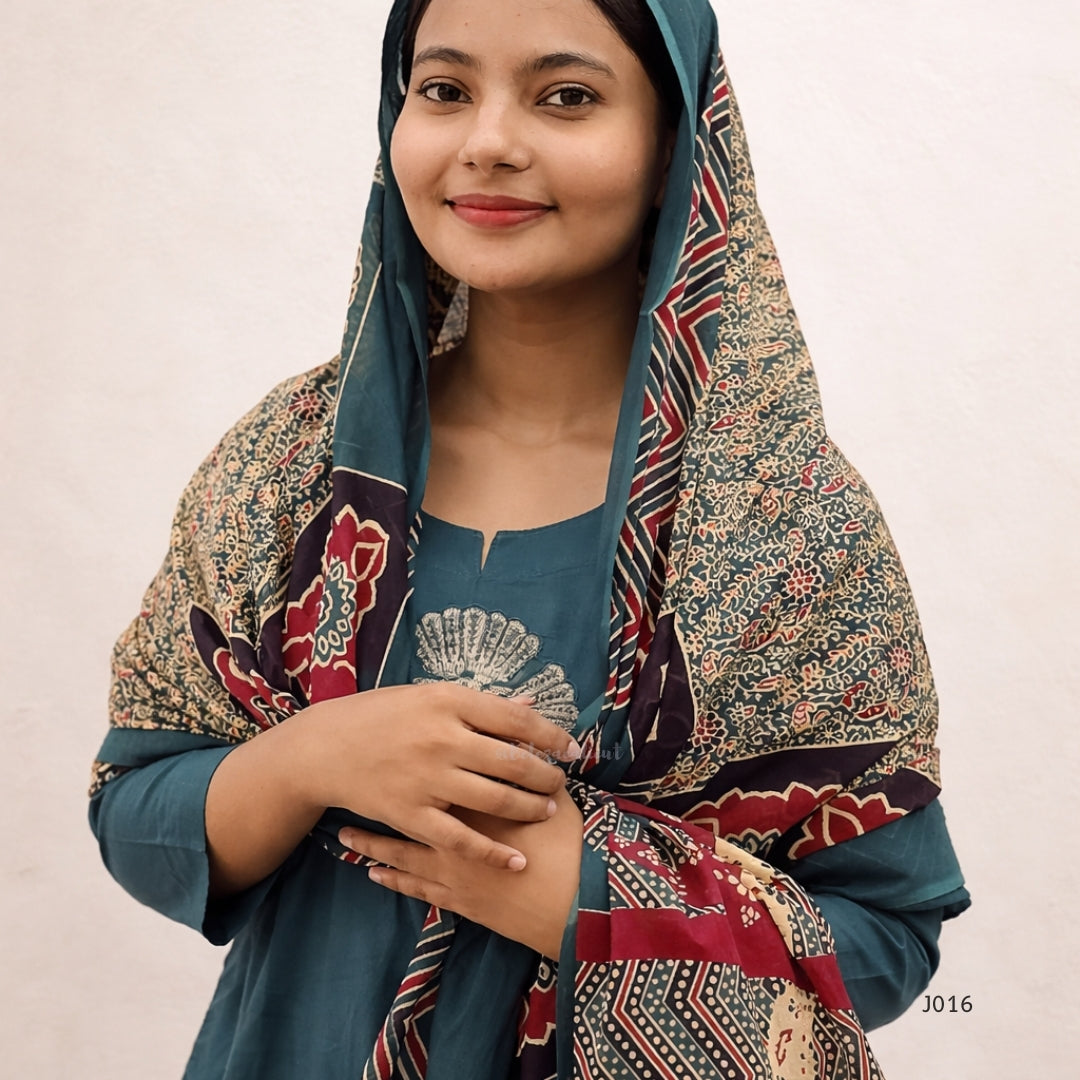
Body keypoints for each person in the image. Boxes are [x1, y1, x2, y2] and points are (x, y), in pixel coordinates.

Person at [88, 0, 970, 1077]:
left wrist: (589, 894)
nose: (489, 141)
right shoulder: (288, 469)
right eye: (444, 89)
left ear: (676, 145)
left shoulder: (785, 522)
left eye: (567, 96)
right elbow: (137, 814)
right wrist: (314, 758)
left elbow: (887, 940)